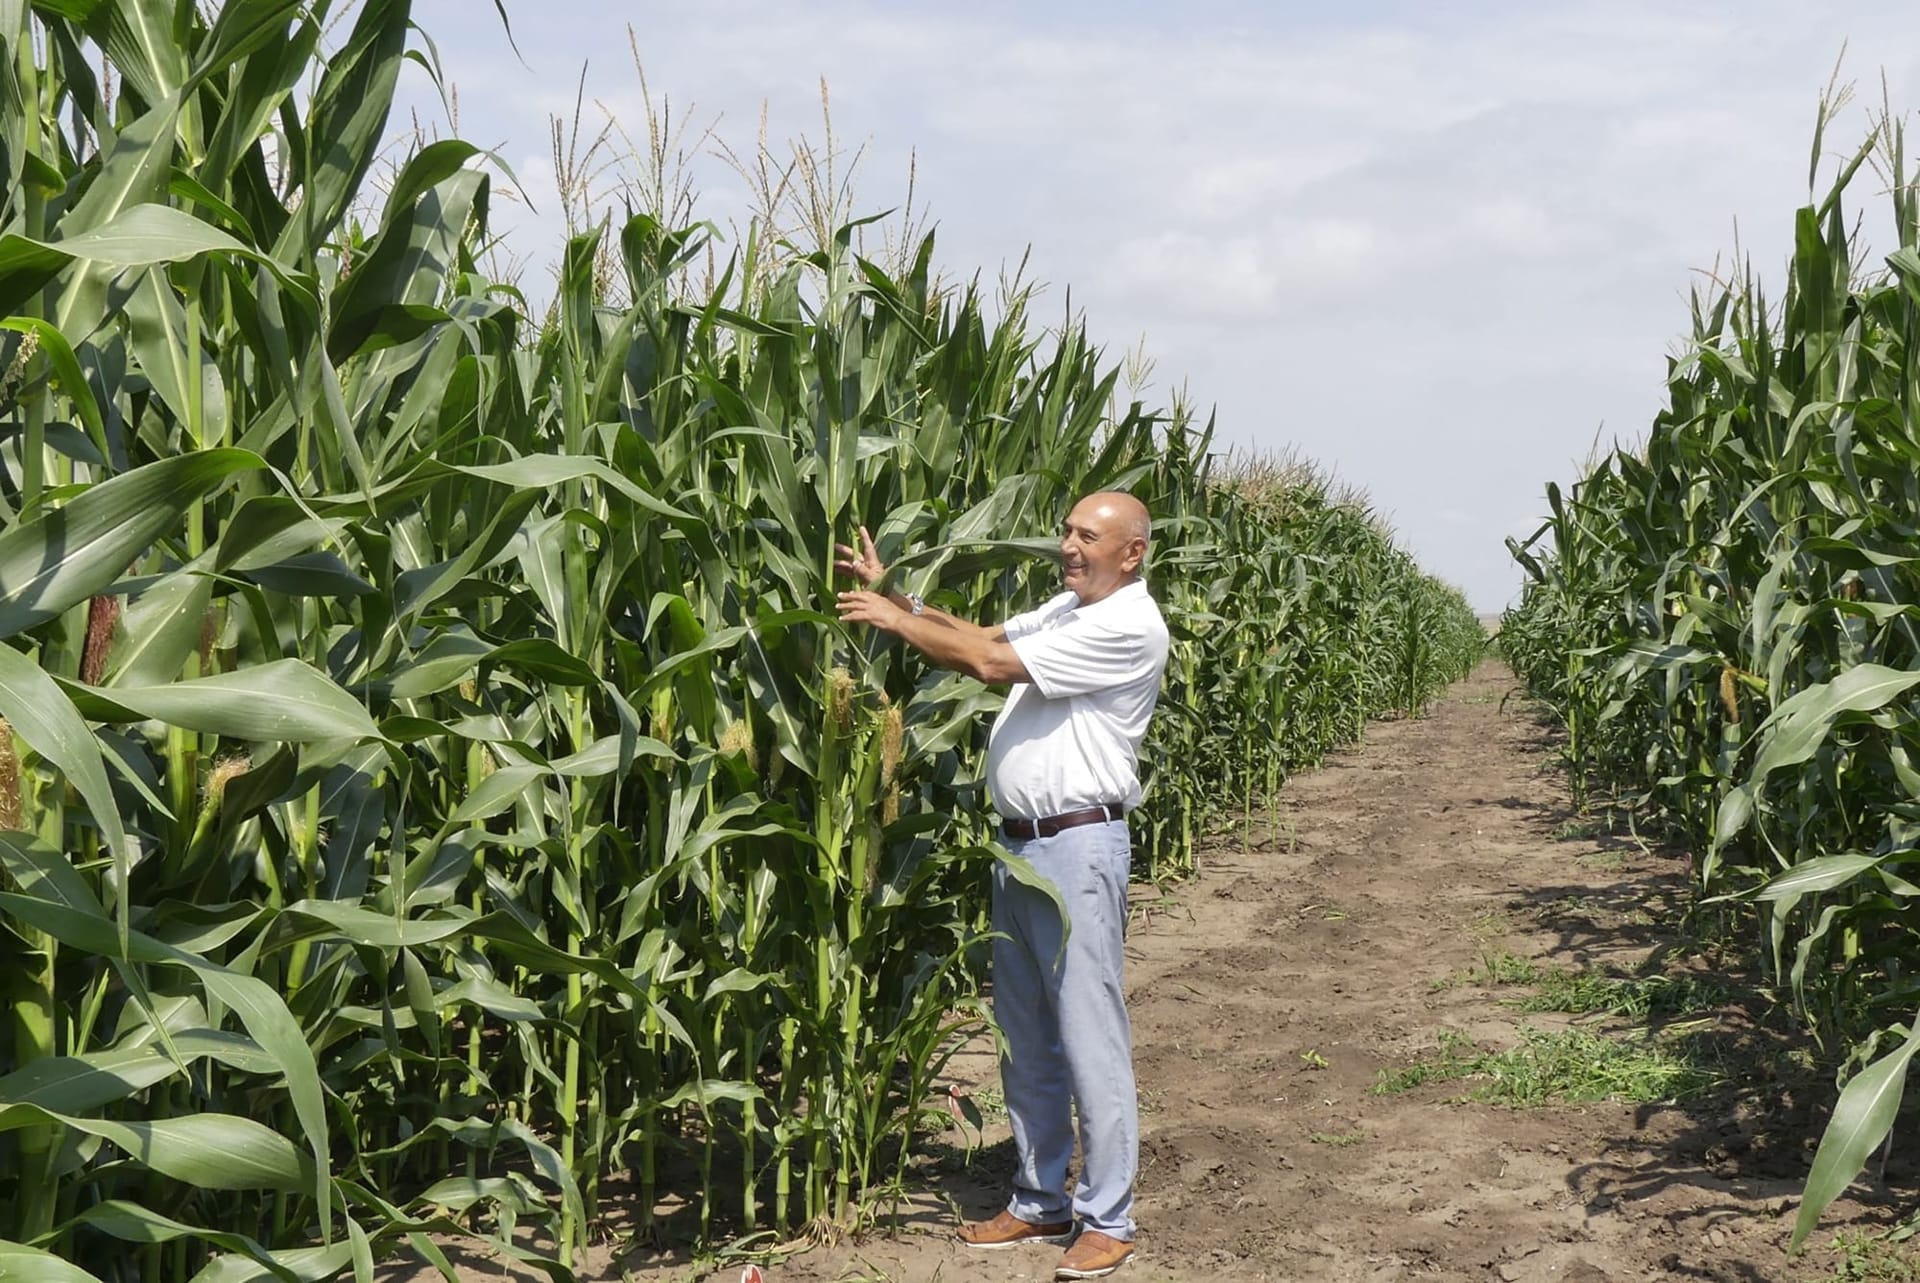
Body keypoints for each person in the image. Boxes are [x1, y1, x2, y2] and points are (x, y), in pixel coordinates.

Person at [835, 491, 1169, 1281]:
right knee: (1024, 1033)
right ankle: (1039, 1197)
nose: (1068, 545)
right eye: (1066, 531)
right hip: (1021, 849)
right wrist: (905, 600)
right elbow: (985, 633)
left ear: (1132, 553)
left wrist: (891, 623)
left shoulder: (1128, 625)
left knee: (1090, 1032)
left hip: (1078, 847)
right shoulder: (1070, 607)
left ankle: (1108, 1217)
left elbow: (986, 664)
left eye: (1088, 536)